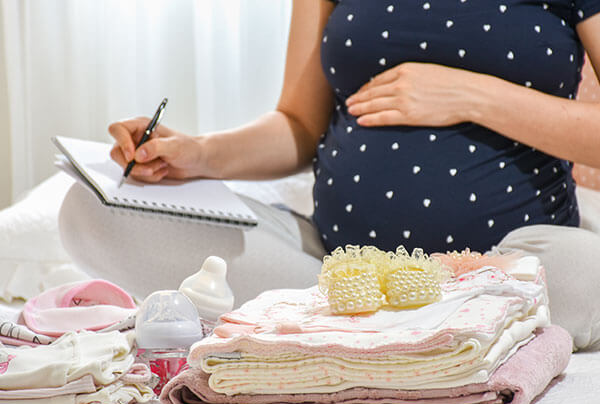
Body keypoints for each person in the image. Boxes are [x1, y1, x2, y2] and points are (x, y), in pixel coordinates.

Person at [59, 0, 600, 350]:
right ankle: (417, 331)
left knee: (584, 272)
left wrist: (473, 95)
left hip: (507, 262)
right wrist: (198, 153)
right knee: (92, 212)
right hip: (334, 269)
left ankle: (346, 330)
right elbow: (298, 124)